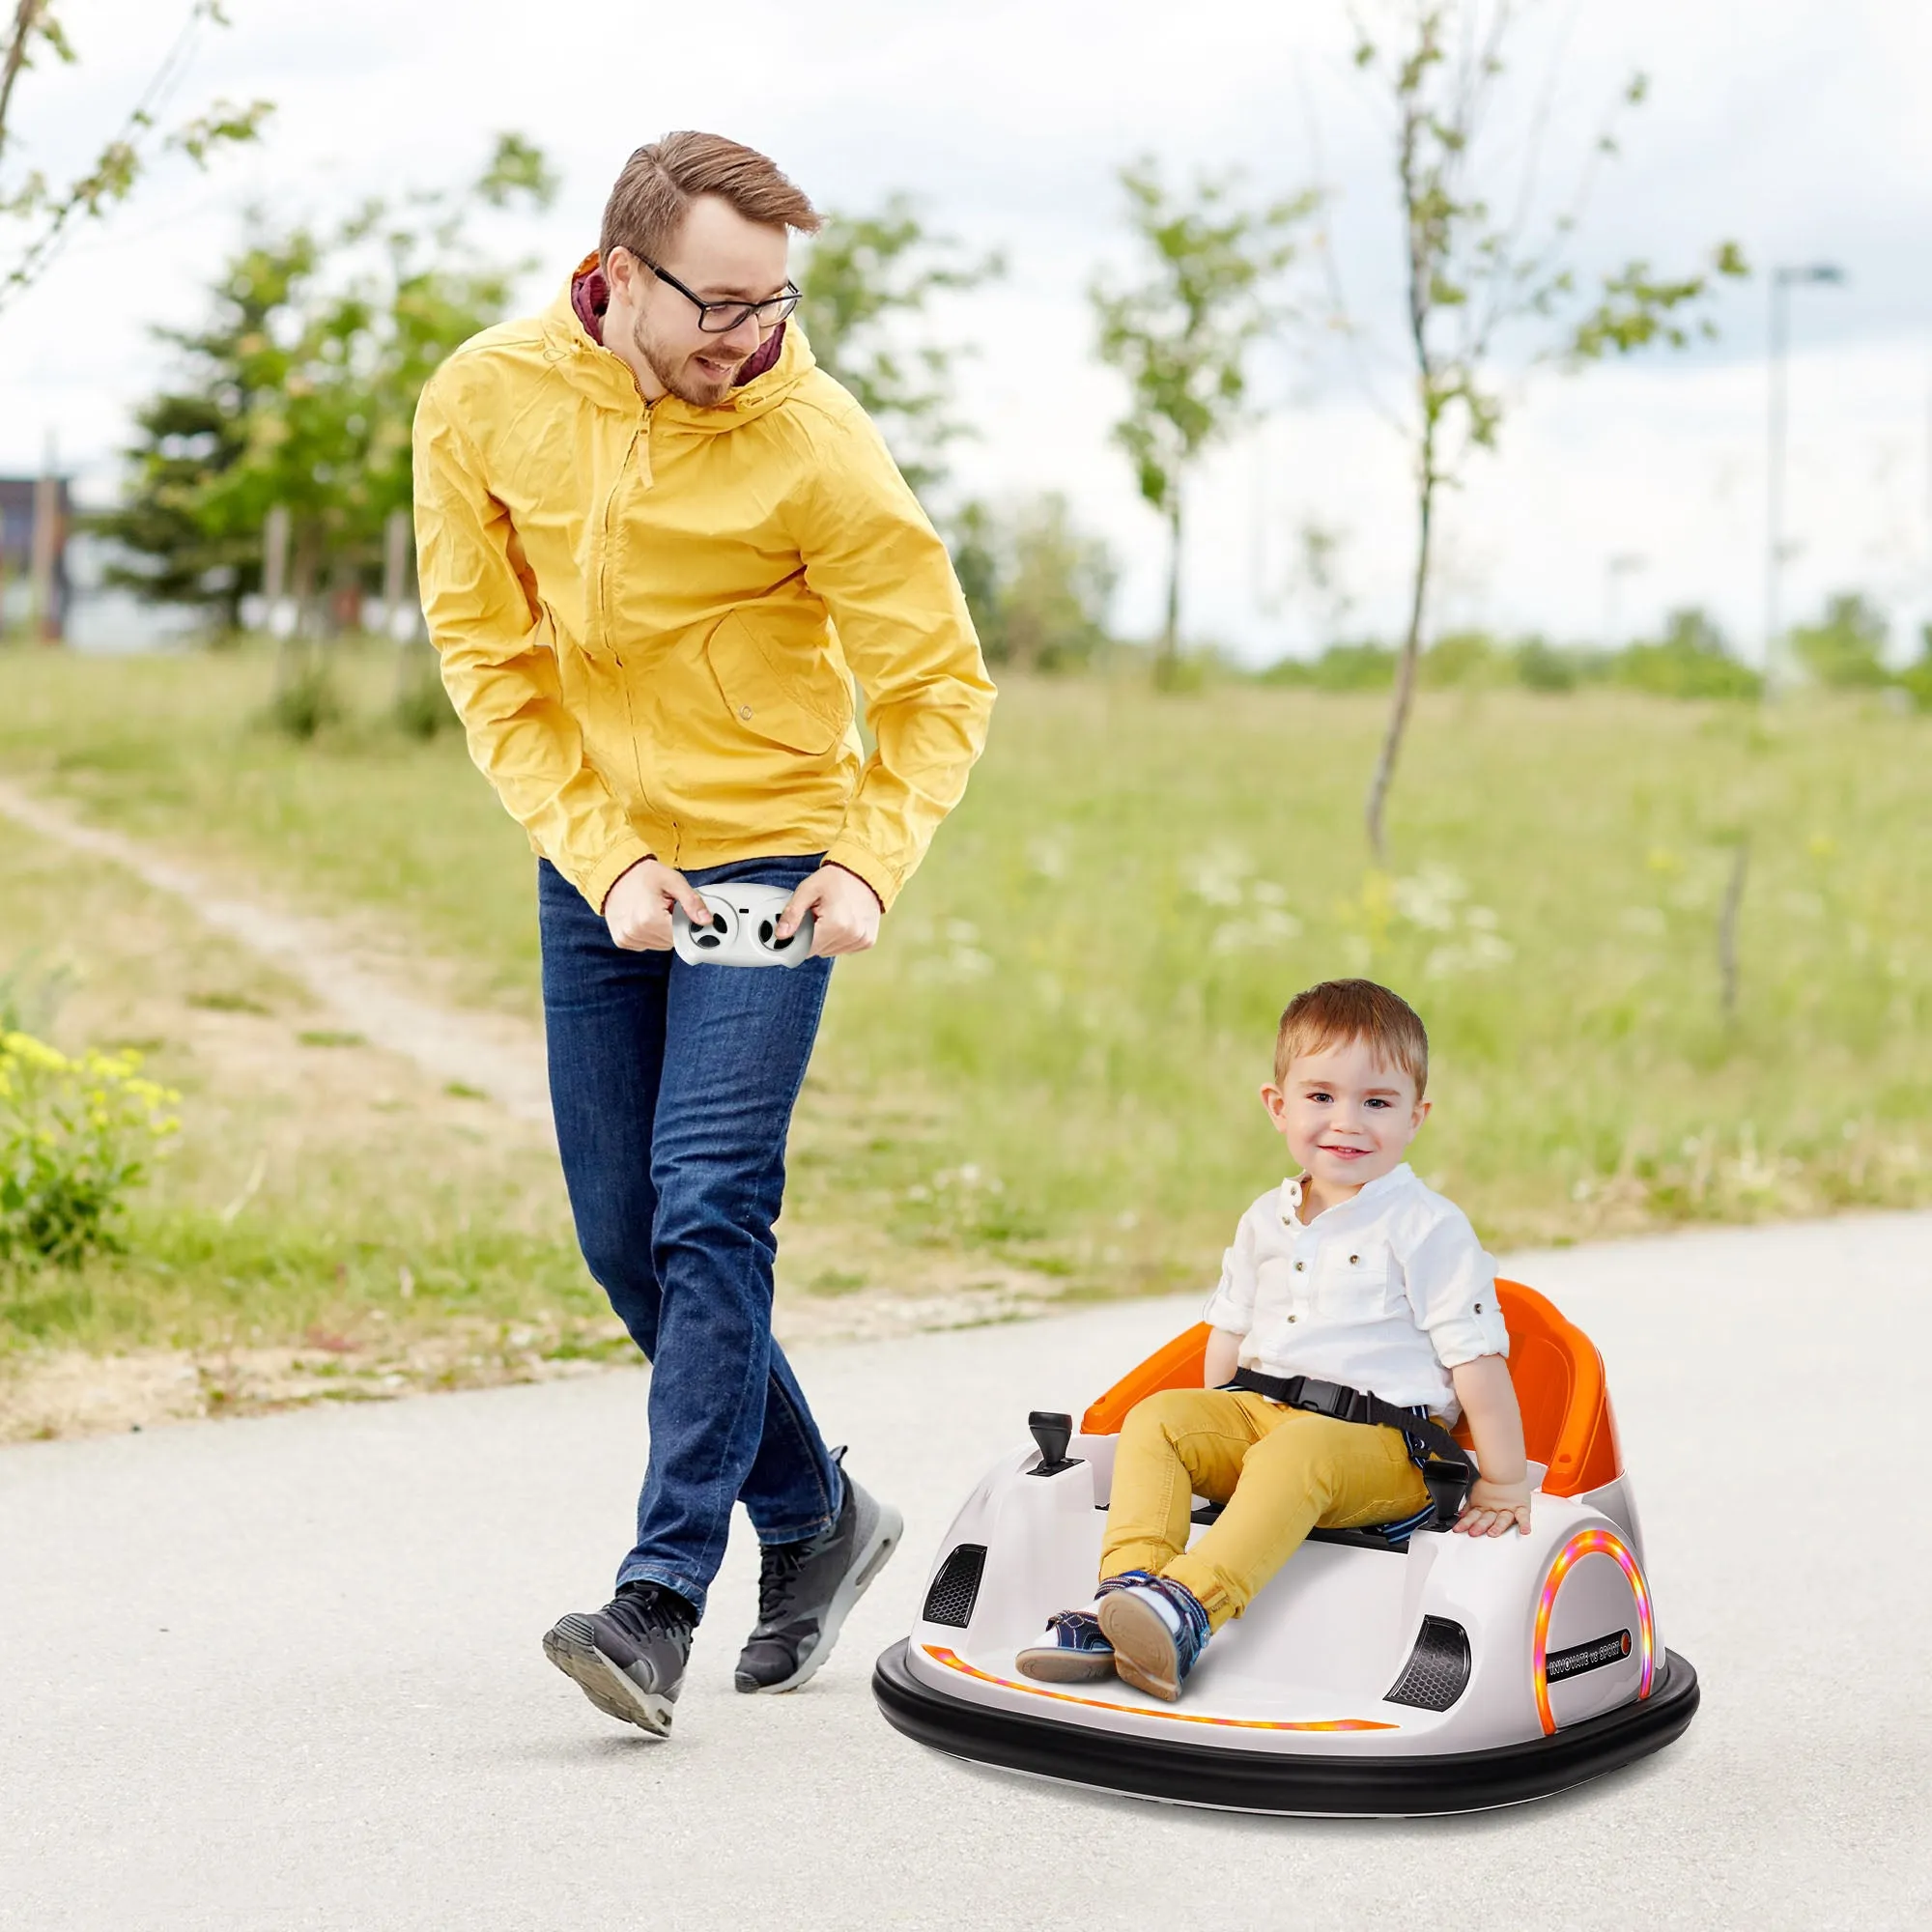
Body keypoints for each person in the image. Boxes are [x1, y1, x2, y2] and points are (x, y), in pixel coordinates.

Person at [412, 132, 995, 1738]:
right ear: (620, 272)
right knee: (621, 1234)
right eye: (720, 303)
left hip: (772, 861)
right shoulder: (483, 398)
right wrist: (602, 862)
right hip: (600, 859)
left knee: (709, 1203)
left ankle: (657, 1603)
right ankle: (816, 1515)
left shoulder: (816, 442)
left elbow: (940, 683)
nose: (755, 336)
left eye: (776, 301)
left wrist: (869, 862)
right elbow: (490, 662)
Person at [1017, 979, 1530, 1702]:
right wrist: (1215, 1427)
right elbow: (1229, 1333)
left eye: (1376, 1102)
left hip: (1388, 1451)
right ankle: (1124, 1600)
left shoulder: (1428, 1226)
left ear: (1417, 1117)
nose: (1346, 1122)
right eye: (1321, 1097)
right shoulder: (1266, 1216)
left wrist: (1504, 1481)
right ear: (1278, 1105)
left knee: (1297, 1449)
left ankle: (1189, 1606)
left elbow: (1476, 1358)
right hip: (1266, 1421)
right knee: (1160, 1417)